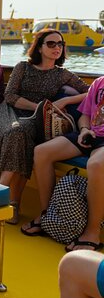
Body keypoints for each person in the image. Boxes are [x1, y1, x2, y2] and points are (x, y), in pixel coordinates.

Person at [0, 29, 88, 224]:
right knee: (18, 132)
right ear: (40, 48)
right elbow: (10, 95)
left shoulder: (63, 75)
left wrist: (66, 101)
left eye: (60, 44)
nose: (57, 47)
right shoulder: (23, 67)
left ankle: (0, 194)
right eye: (51, 44)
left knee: (20, 133)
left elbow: (92, 91)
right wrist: (38, 107)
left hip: (37, 120)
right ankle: (8, 199)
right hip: (9, 112)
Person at [23, 74, 104, 252]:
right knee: (42, 152)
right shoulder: (99, 82)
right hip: (91, 135)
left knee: (96, 165)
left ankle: (92, 232)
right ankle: (48, 215)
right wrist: (84, 130)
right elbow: (85, 115)